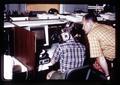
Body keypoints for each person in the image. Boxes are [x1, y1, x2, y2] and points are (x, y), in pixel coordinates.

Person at [81, 13, 115, 80]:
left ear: (89, 23)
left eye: (83, 25)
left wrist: (107, 76)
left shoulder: (92, 34)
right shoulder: (106, 26)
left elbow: (100, 58)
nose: (82, 28)